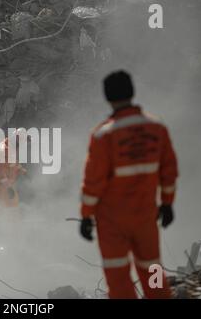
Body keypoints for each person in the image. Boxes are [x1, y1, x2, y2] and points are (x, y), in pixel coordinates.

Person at [79, 70, 178, 298]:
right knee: (152, 268)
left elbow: (93, 182)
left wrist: (86, 215)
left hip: (112, 222)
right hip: (145, 217)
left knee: (118, 277)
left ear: (107, 97)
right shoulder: (156, 128)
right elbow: (169, 171)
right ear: (132, 92)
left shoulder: (103, 136)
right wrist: (167, 204)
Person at [0, 128, 30, 208]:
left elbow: (12, 163)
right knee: (6, 208)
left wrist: (22, 171)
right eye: (23, 142)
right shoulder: (5, 149)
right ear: (17, 139)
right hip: (2, 184)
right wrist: (7, 185)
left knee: (11, 206)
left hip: (8, 183)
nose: (23, 144)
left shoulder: (11, 147)